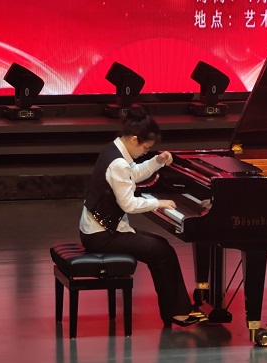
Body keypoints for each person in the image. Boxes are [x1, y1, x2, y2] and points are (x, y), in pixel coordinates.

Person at [79, 104, 201, 327]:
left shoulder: (114, 148)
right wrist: (157, 203)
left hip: (101, 229)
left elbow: (132, 174)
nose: (146, 152)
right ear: (134, 140)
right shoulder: (118, 163)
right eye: (146, 148)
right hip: (101, 235)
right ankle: (176, 312)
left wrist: (157, 161)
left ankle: (177, 310)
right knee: (162, 252)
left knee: (162, 246)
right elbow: (128, 204)